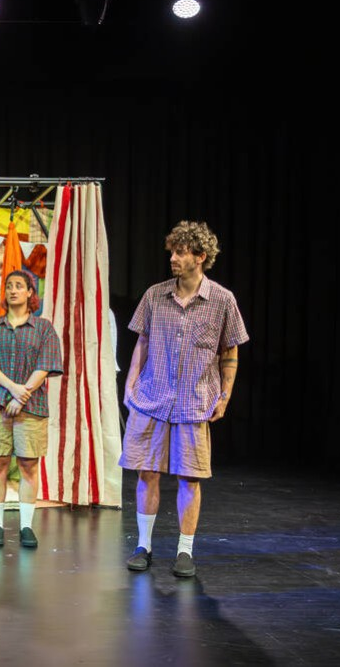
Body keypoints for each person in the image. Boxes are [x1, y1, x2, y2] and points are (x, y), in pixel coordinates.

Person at [120, 221, 248, 577]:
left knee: (189, 478)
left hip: (194, 402)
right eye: (172, 252)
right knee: (147, 472)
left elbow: (230, 350)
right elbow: (143, 341)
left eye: (181, 252)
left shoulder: (222, 300)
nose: (173, 258)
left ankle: (185, 551)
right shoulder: (155, 295)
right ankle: (143, 545)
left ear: (200, 256)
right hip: (153, 398)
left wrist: (225, 396)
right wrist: (130, 385)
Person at [0, 270, 63, 549]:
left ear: (30, 292)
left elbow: (45, 365)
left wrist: (21, 396)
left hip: (31, 407)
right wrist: (12, 388)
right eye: (9, 286)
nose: (13, 290)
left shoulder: (43, 328)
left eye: (19, 286)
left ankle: (26, 526)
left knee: (28, 465)